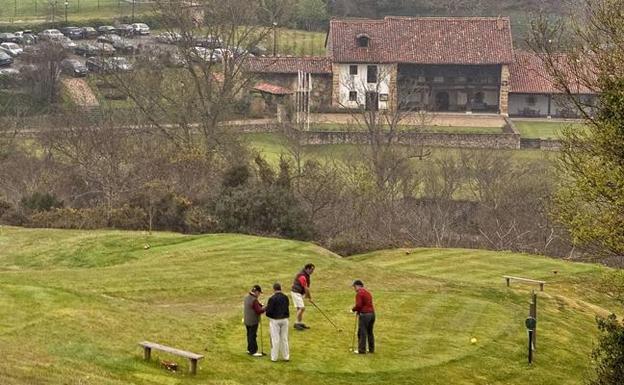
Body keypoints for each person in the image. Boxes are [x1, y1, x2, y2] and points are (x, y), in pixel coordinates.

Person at [265, 282, 290, 362]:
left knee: (275, 339)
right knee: (284, 338)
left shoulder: (272, 299)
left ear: (274, 289)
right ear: (280, 288)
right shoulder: (285, 297)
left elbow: (268, 312)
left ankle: (274, 357)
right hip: (285, 319)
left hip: (275, 320)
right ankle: (286, 357)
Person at [352, 280, 375, 354]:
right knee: (370, 332)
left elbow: (359, 305)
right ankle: (371, 349)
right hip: (372, 314)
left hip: (365, 315)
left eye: (354, 287)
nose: (354, 289)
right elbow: (365, 304)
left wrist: (353, 310)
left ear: (358, 286)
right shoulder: (367, 292)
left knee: (362, 332)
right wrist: (358, 311)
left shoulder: (359, 293)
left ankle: (361, 350)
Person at [291, 263, 315, 330]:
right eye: (311, 270)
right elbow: (306, 288)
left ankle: (299, 323)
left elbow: (305, 288)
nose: (312, 272)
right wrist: (310, 298)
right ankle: (296, 323)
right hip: (296, 293)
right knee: (302, 308)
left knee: (299, 308)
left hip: (298, 293)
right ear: (307, 269)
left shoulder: (306, 275)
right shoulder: (302, 276)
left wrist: (305, 296)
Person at [243, 284, 265, 357]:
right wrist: (265, 308)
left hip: (247, 320)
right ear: (256, 292)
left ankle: (249, 349)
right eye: (259, 293)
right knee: (253, 335)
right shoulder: (254, 300)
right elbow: (259, 311)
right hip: (253, 321)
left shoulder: (246, 297)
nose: (259, 295)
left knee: (249, 334)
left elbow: (253, 306)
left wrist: (259, 305)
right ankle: (253, 351)